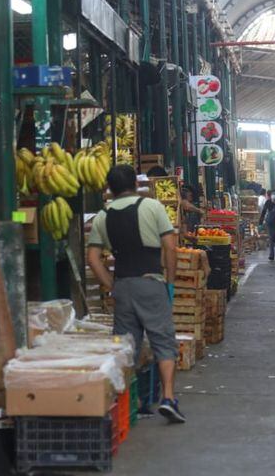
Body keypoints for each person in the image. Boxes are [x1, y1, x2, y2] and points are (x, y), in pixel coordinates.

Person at [86, 165, 186, 424]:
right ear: (135, 184)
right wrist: (170, 282)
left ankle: (135, 403)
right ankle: (168, 398)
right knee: (163, 341)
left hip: (123, 285)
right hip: (151, 282)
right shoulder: (152, 207)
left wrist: (111, 285)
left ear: (110, 188)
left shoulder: (102, 216)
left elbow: (93, 258)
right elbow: (170, 247)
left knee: (126, 346)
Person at [259, 189, 275, 262]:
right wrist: (260, 222)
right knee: (271, 238)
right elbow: (263, 212)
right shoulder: (268, 202)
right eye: (273, 194)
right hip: (271, 223)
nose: (274, 195)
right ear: (270, 195)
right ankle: (271, 254)